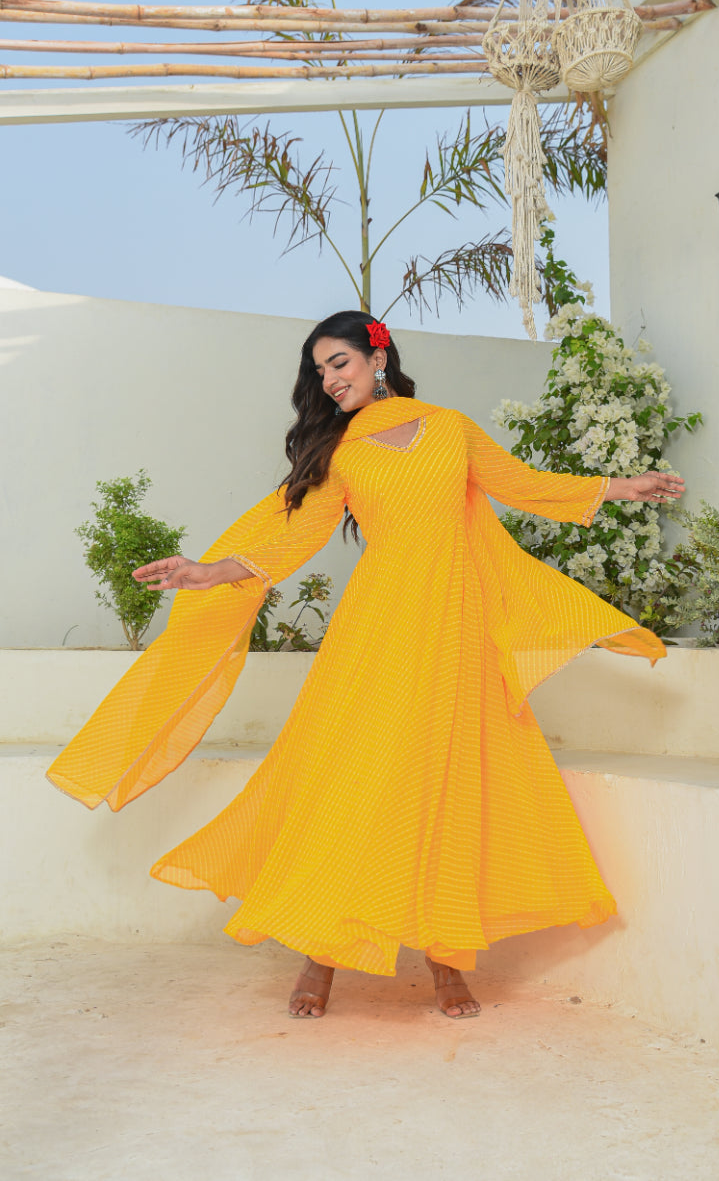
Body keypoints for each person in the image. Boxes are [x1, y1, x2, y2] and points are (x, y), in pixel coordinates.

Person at [47, 310, 684, 1021]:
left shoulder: (451, 427)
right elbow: (293, 536)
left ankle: (446, 961)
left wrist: (625, 486)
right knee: (353, 776)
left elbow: (524, 485)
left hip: (455, 631)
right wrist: (207, 571)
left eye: (339, 363)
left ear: (377, 356)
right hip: (377, 632)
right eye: (320, 372)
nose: (329, 380)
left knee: (450, 779)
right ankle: (317, 955)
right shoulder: (343, 452)